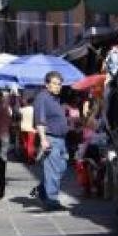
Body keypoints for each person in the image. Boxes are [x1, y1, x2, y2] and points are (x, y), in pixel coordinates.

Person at [32, 71, 70, 211]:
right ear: (46, 84)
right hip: (50, 138)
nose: (57, 86)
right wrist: (43, 139)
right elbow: (40, 121)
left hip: (60, 140)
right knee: (54, 170)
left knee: (62, 167)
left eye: (59, 84)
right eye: (54, 84)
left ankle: (42, 189)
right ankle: (52, 201)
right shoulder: (42, 98)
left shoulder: (55, 99)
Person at [0, 92, 13, 200]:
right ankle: (0, 192)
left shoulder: (1, 107)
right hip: (5, 136)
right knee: (2, 162)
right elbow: (10, 121)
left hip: (0, 136)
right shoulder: (6, 107)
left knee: (1, 163)